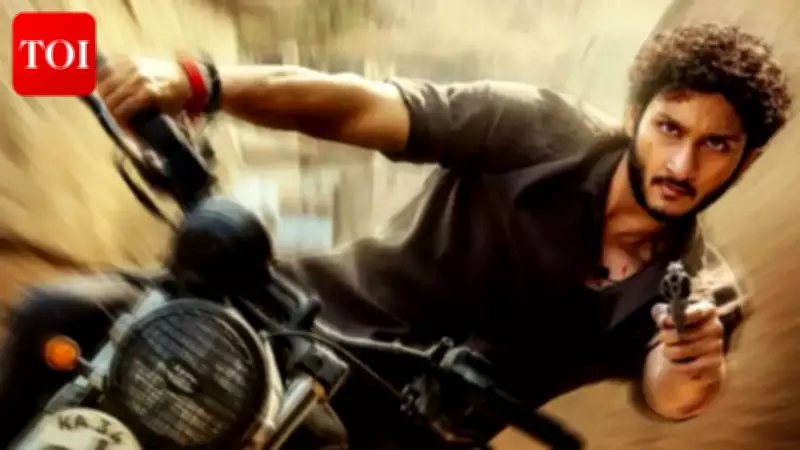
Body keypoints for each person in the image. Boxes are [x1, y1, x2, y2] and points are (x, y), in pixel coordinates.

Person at [0, 21, 792, 448]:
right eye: (669, 127)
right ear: (634, 116)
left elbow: (673, 389)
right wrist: (201, 83)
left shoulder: (703, 295)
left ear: (747, 159)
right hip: (288, 317)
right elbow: (360, 104)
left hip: (411, 433)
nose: (682, 163)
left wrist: (689, 370)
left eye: (716, 145)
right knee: (56, 317)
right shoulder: (537, 130)